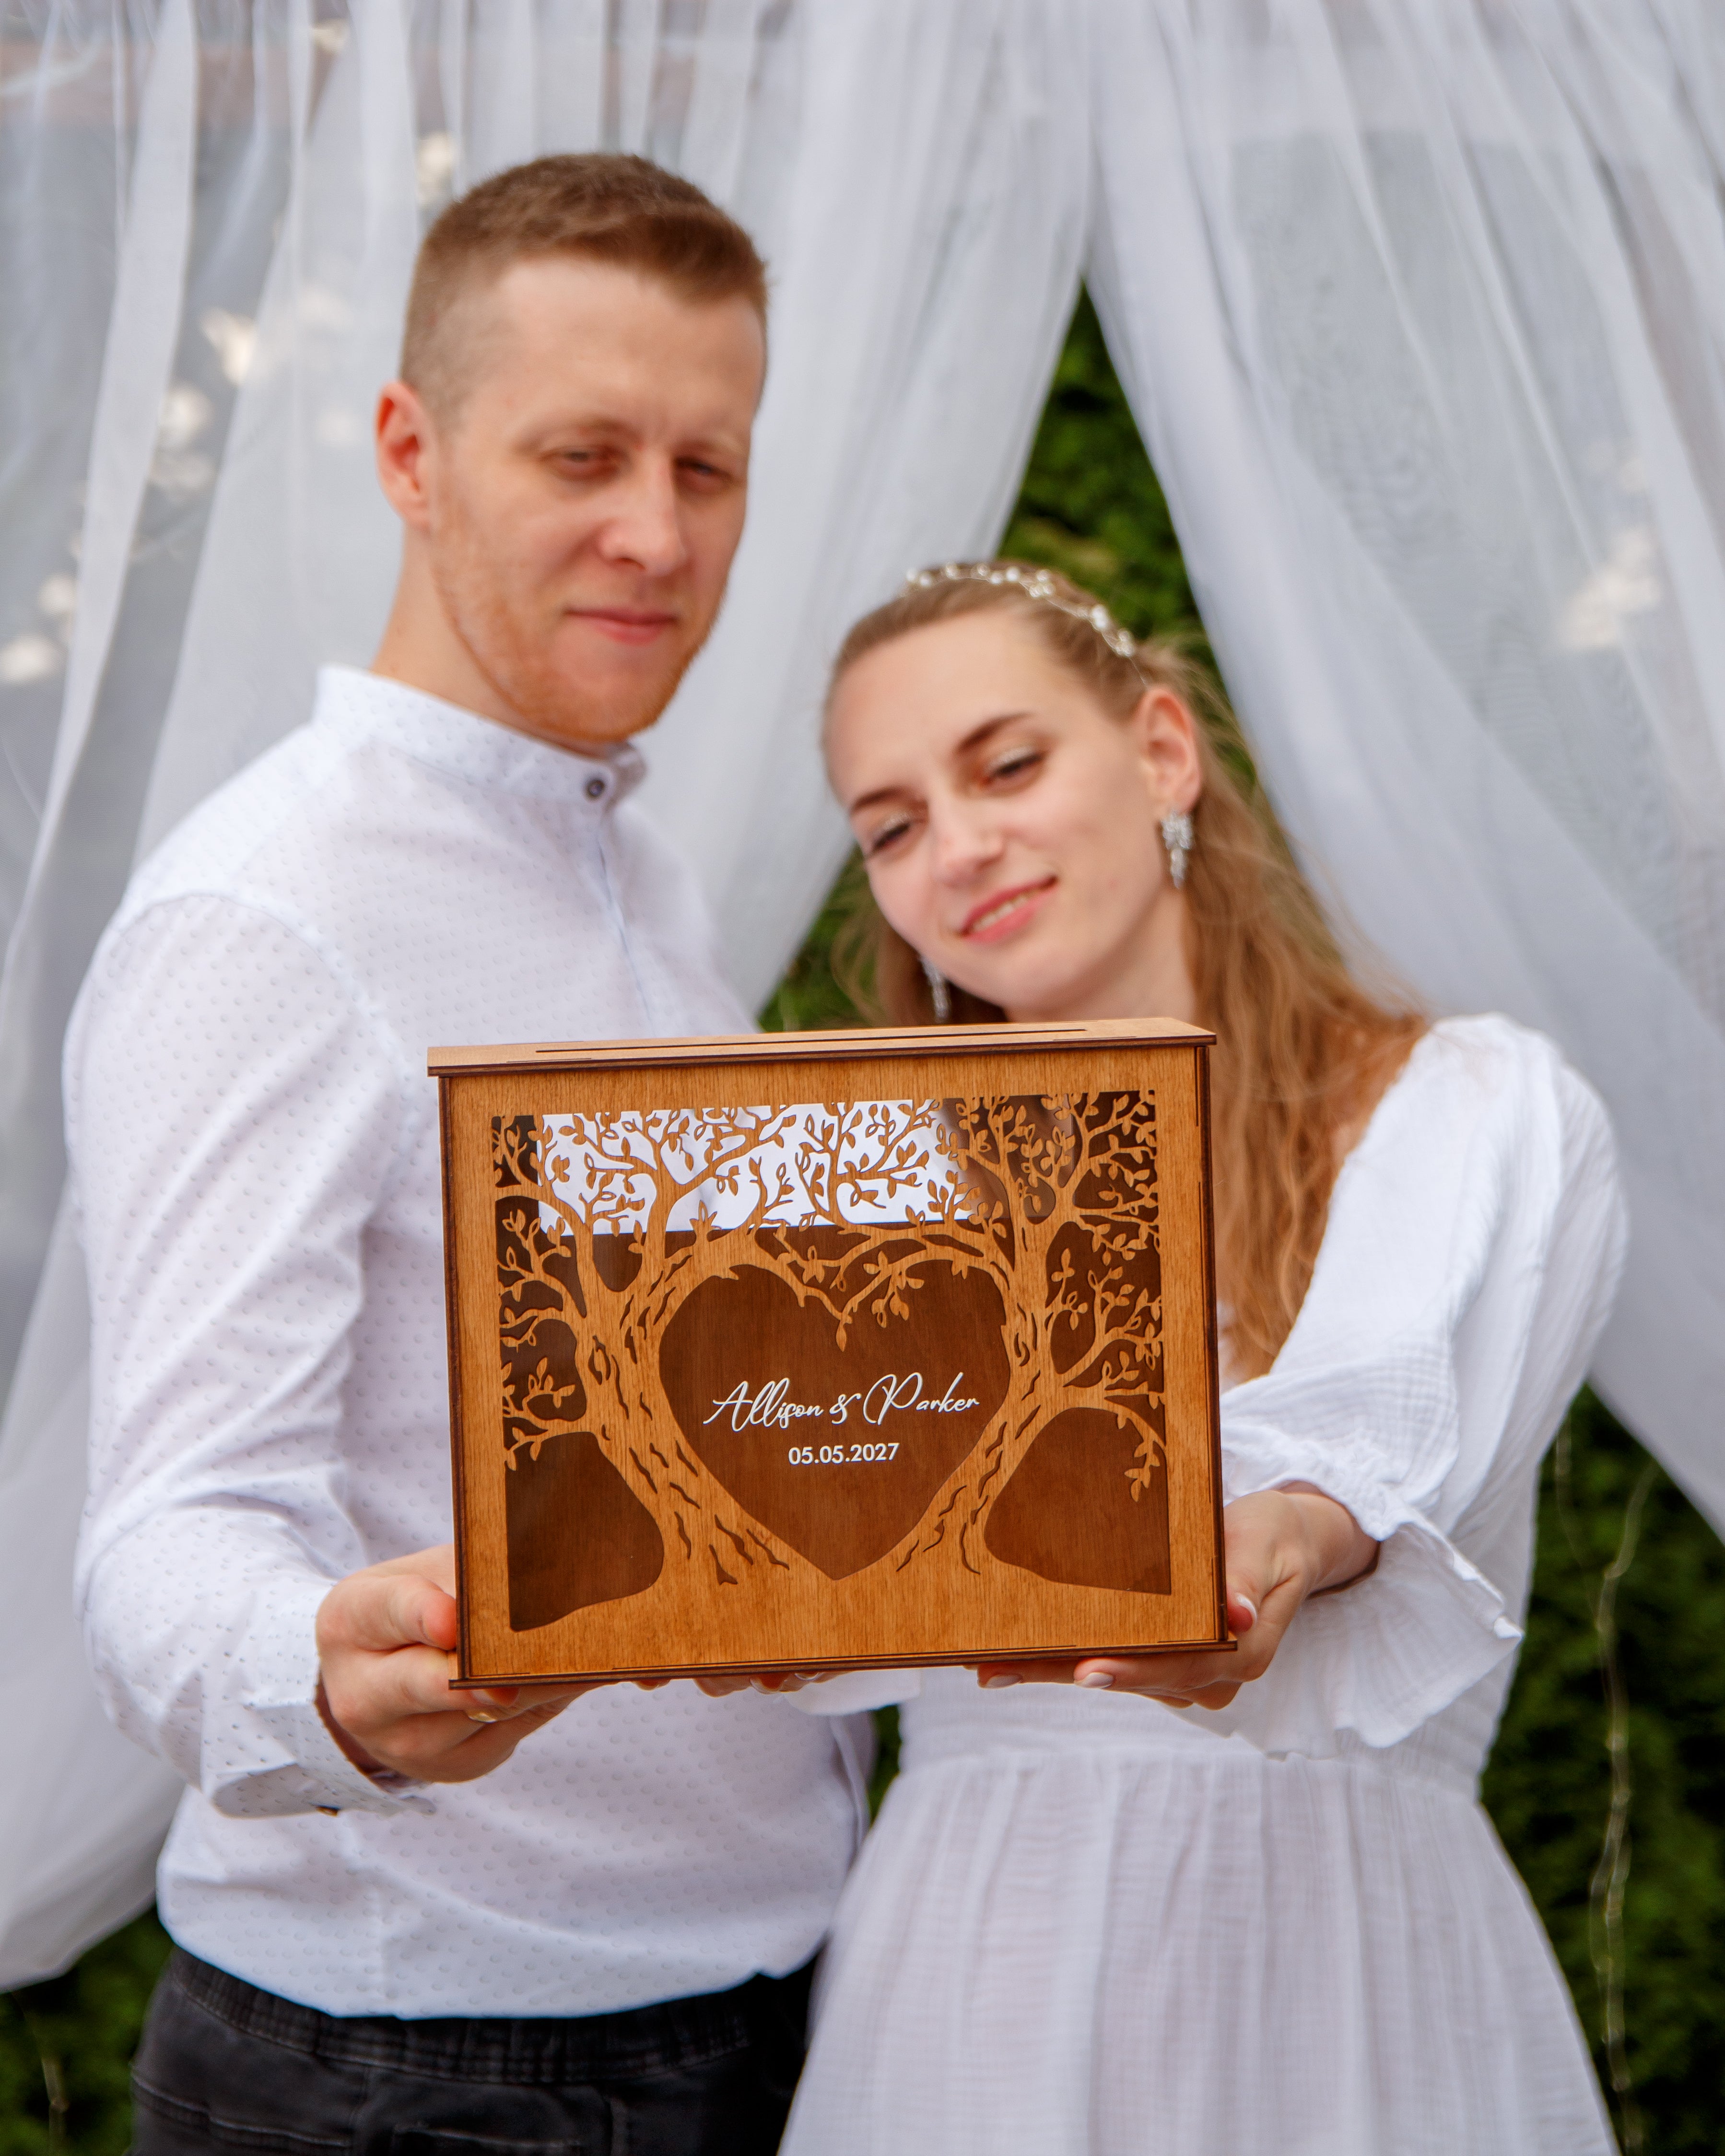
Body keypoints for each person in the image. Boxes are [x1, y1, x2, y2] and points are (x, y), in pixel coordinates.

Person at [66, 155, 870, 2156]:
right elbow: (169, 1527)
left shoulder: (646, 871)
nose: (656, 531)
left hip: (767, 1997)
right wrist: (316, 1678)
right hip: (431, 2066)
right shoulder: (271, 914)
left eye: (712, 465)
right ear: (411, 452)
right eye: (582, 453)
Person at [776, 561, 1626, 2154]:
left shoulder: (1475, 1114)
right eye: (889, 826)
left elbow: (1380, 1434)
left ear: (1163, 749)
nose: (956, 849)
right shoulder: (840, 1202)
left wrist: (1270, 1547)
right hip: (977, 1989)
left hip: (1352, 1985)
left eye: (1006, 764)